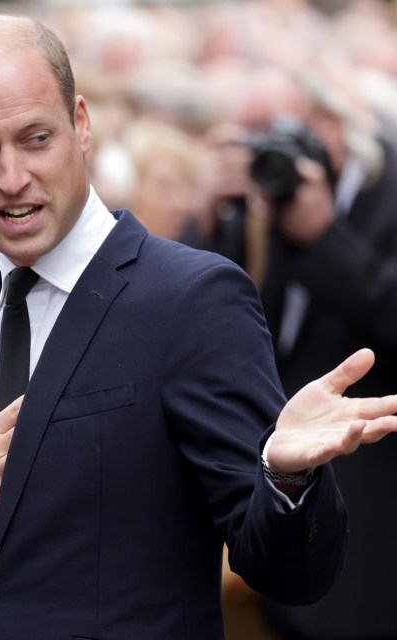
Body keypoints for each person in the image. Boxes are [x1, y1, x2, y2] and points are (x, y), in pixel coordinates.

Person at [0, 15, 397, 640]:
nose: (11, 177)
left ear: (81, 125)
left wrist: (288, 477)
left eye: (35, 139)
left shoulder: (189, 299)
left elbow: (291, 574)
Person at [196, 66, 397, 640]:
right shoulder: (260, 203)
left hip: (375, 500)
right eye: (249, 133)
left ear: (331, 125)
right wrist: (209, 219)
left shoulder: (385, 187)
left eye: (277, 129)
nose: (266, 150)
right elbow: (217, 317)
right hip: (285, 499)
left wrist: (323, 236)